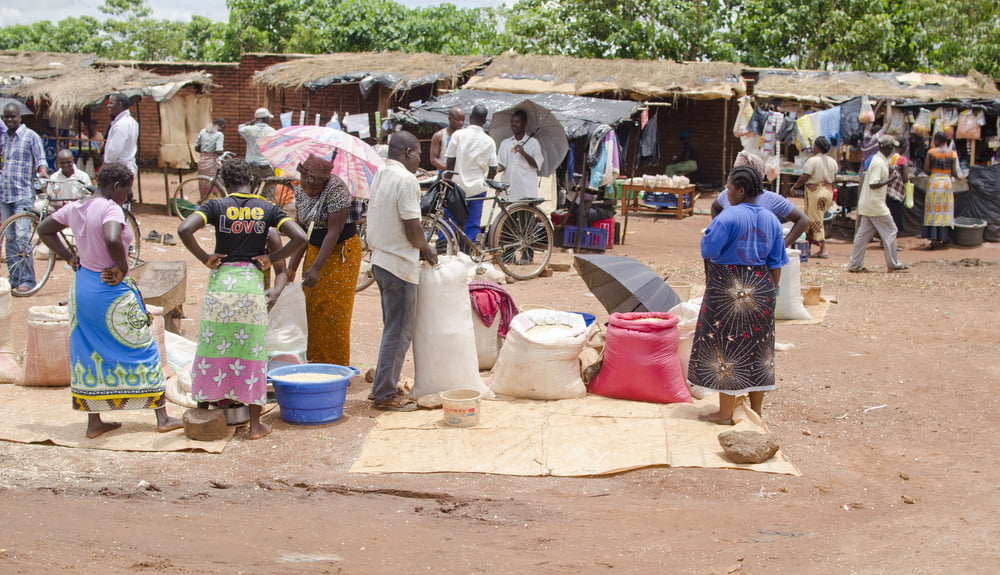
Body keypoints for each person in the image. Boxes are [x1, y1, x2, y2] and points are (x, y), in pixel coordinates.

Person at [36, 163, 183, 438]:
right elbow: (112, 237)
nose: (128, 195)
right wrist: (123, 267)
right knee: (143, 347)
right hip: (110, 289)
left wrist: (69, 256)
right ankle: (162, 417)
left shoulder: (77, 207)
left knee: (89, 350)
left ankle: (94, 423)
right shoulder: (111, 208)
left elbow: (45, 229)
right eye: (127, 189)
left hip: (83, 287)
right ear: (116, 186)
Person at [177, 158, 307, 440]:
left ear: (224, 181)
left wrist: (205, 258)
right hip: (249, 287)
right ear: (251, 179)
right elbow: (300, 237)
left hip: (222, 286)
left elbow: (184, 229)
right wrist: (269, 259)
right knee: (251, 354)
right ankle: (255, 425)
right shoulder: (267, 209)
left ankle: (204, 409)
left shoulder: (215, 206)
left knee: (212, 349)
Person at [690, 166, 788, 425]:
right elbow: (777, 262)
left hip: (728, 288)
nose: (727, 192)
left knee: (728, 345)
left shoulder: (729, 216)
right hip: (763, 286)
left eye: (729, 187)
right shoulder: (772, 219)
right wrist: (772, 292)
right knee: (760, 349)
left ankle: (725, 413)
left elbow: (708, 249)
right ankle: (756, 412)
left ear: (741, 190)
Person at [367, 131, 438, 411]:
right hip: (398, 265)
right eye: (418, 154)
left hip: (381, 261)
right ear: (408, 152)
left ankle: (382, 385)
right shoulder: (406, 179)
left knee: (391, 329)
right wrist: (427, 248)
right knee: (399, 333)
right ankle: (384, 393)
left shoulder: (382, 174)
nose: (419, 159)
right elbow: (411, 226)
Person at [285, 154, 364, 366]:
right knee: (312, 306)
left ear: (325, 180)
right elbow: (301, 229)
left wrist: (316, 268)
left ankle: (335, 366)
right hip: (314, 247)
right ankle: (315, 362)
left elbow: (333, 232)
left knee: (335, 311)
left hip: (341, 253)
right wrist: (292, 267)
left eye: (316, 182)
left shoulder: (336, 188)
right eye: (307, 180)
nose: (310, 186)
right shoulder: (300, 191)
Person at [712, 150, 809, 249]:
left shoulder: (771, 200)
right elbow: (715, 207)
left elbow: (803, 219)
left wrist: (782, 245)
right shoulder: (728, 194)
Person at [1, 102, 49, 292]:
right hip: (4, 194)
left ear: (20, 117)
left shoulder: (31, 137)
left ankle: (27, 281)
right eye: (6, 117)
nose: (9, 120)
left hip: (23, 194)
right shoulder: (3, 137)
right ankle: (14, 278)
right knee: (10, 238)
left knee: (22, 237)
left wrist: (42, 170)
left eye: (13, 117)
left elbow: (41, 160)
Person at [847, 135, 909, 273]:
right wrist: (890, 179)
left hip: (868, 204)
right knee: (891, 230)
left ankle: (855, 265)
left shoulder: (878, 160)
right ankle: (893, 263)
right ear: (887, 147)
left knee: (862, 236)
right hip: (875, 204)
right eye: (891, 147)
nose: (893, 150)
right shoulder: (879, 163)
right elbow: (874, 184)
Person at [445, 105, 497, 242]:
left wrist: (447, 180)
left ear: (470, 118)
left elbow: (450, 162)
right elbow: (493, 168)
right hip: (477, 188)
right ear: (485, 121)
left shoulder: (458, 135)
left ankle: (444, 248)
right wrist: (486, 183)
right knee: (472, 223)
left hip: (456, 187)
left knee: (449, 220)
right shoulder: (489, 141)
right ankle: (468, 254)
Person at [791, 137, 837, 258]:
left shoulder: (813, 161)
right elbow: (834, 178)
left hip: (815, 192)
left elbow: (805, 176)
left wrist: (795, 187)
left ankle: (823, 249)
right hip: (827, 191)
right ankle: (809, 248)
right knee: (812, 218)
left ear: (817, 147)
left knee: (815, 219)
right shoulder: (832, 161)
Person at [921, 132, 960, 249]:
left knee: (933, 211)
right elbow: (954, 172)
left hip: (934, 183)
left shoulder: (931, 152)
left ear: (937, 140)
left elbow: (925, 169)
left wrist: (934, 174)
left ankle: (933, 239)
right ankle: (944, 238)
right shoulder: (952, 154)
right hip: (946, 184)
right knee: (945, 211)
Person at [497, 109, 544, 201]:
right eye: (512, 122)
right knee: (507, 215)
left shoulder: (533, 143)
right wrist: (496, 169)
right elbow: (502, 164)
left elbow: (537, 164)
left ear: (525, 123)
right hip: (508, 191)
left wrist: (524, 153)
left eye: (517, 122)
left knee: (526, 215)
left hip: (526, 192)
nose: (514, 124)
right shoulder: (505, 143)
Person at [238, 108, 277, 193]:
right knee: (268, 190)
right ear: (265, 119)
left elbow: (240, 128)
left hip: (252, 165)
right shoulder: (272, 131)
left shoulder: (249, 130)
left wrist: (252, 122)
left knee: (249, 189)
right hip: (266, 165)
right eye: (268, 118)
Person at [103, 93, 139, 176]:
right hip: (126, 168)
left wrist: (106, 162)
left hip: (118, 170)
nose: (108, 106)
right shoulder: (131, 122)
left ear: (119, 105)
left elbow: (115, 150)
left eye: (111, 103)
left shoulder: (121, 125)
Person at [195, 118, 226, 198]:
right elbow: (219, 150)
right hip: (212, 162)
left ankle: (203, 199)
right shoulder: (219, 135)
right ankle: (213, 199)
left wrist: (205, 151)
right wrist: (222, 153)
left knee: (203, 181)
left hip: (202, 160)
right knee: (213, 182)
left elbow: (197, 147)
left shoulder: (203, 132)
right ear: (222, 126)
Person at [429, 106, 464, 173]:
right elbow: (433, 159)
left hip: (461, 176)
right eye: (458, 120)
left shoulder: (464, 136)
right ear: (449, 119)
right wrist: (449, 169)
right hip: (444, 175)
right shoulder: (439, 136)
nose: (461, 123)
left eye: (463, 120)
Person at [885, 143, 910, 234]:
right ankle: (891, 242)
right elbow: (905, 178)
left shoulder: (889, 158)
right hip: (896, 192)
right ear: (903, 148)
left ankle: (884, 241)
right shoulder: (902, 159)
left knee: (888, 217)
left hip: (887, 190)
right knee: (895, 218)